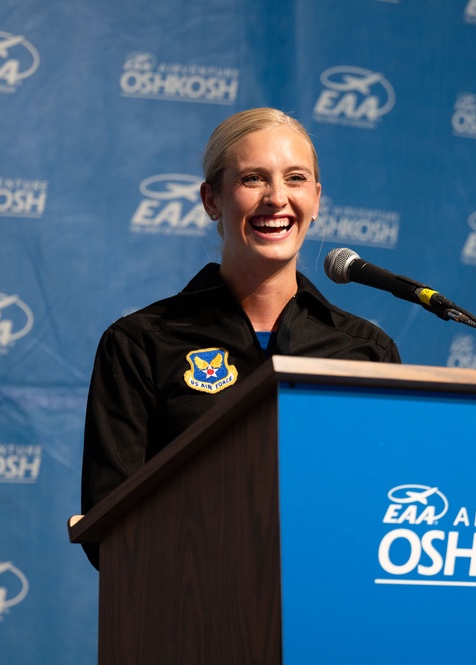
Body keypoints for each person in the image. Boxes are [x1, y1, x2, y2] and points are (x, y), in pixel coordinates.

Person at [79, 107, 400, 568]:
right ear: (212, 199)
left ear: (316, 197)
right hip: (192, 614)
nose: (276, 198)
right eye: (253, 179)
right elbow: (107, 527)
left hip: (333, 612)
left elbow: (388, 506)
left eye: (295, 179)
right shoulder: (140, 344)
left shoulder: (365, 350)